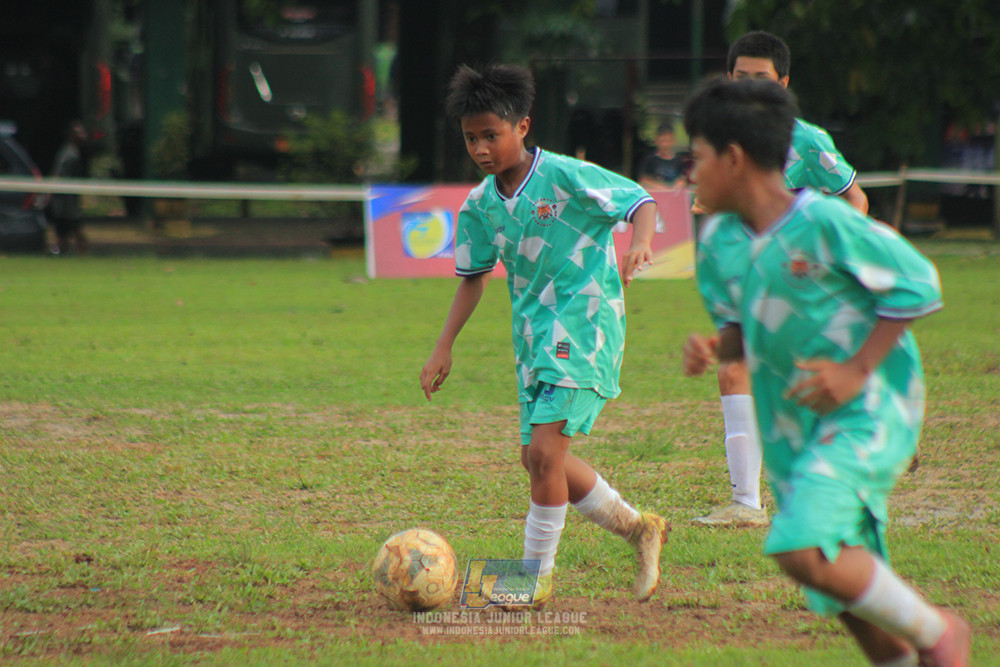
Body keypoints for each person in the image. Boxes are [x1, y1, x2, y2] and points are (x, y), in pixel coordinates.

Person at [682, 75, 970, 666]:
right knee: (843, 591)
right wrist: (718, 348)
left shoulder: (826, 224)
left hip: (869, 409)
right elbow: (743, 331)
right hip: (796, 427)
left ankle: (939, 634)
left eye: (698, 157)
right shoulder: (717, 247)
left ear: (734, 159)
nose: (691, 173)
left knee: (803, 546)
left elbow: (917, 285)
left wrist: (858, 369)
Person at [420, 64, 669, 609]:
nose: (481, 148)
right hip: (531, 338)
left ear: (523, 126)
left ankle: (534, 578)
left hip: (585, 325)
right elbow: (471, 280)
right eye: (471, 139)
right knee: (535, 459)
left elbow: (640, 201)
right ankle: (638, 528)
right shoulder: (480, 206)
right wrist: (444, 346)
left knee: (545, 451)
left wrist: (640, 244)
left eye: (491, 135)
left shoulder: (566, 176)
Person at [692, 31, 870, 527]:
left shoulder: (806, 141)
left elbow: (854, 197)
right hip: (751, 282)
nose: (749, 88)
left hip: (805, 283)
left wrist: (841, 255)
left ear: (783, 83)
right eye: (740, 78)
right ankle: (746, 504)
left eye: (761, 79)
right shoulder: (719, 142)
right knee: (734, 371)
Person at [48, 120, 89, 256]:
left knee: (74, 230)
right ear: (72, 135)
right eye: (80, 133)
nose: (83, 136)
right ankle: (64, 254)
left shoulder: (73, 153)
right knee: (67, 231)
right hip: (64, 202)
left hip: (70, 202)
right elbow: (58, 175)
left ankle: (78, 255)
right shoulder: (68, 155)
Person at [638, 122, 686, 190]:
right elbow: (644, 180)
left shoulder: (678, 160)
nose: (665, 144)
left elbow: (682, 179)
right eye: (662, 141)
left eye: (667, 141)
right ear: (656, 141)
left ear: (673, 141)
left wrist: (678, 186)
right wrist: (663, 188)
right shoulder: (650, 159)